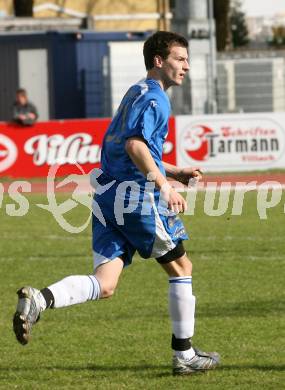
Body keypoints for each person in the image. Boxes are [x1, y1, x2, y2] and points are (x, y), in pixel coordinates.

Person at [13, 31, 220, 375]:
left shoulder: (136, 91)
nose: (186, 66)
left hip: (107, 195)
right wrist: (164, 186)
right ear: (159, 60)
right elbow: (136, 147)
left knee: (105, 283)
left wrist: (175, 170)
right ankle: (184, 355)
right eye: (180, 58)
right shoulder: (157, 99)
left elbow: (125, 144)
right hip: (136, 198)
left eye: (187, 59)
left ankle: (40, 298)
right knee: (182, 268)